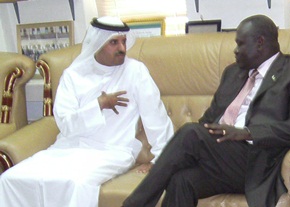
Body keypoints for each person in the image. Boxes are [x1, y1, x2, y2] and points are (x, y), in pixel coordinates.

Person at [122, 15, 290, 207]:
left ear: (260, 42)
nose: (235, 50)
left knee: (191, 133)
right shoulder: (233, 72)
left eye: (240, 44)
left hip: (258, 160)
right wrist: (172, 159)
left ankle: (134, 204)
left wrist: (248, 133)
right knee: (181, 180)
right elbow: (208, 120)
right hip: (221, 157)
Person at [0, 16, 174, 207]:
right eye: (114, 43)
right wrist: (98, 105)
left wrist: (161, 159)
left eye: (123, 42)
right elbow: (65, 124)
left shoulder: (135, 71)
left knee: (76, 184)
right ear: (98, 43)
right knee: (12, 178)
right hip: (68, 148)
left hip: (113, 150)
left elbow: (155, 117)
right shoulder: (74, 75)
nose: (122, 49)